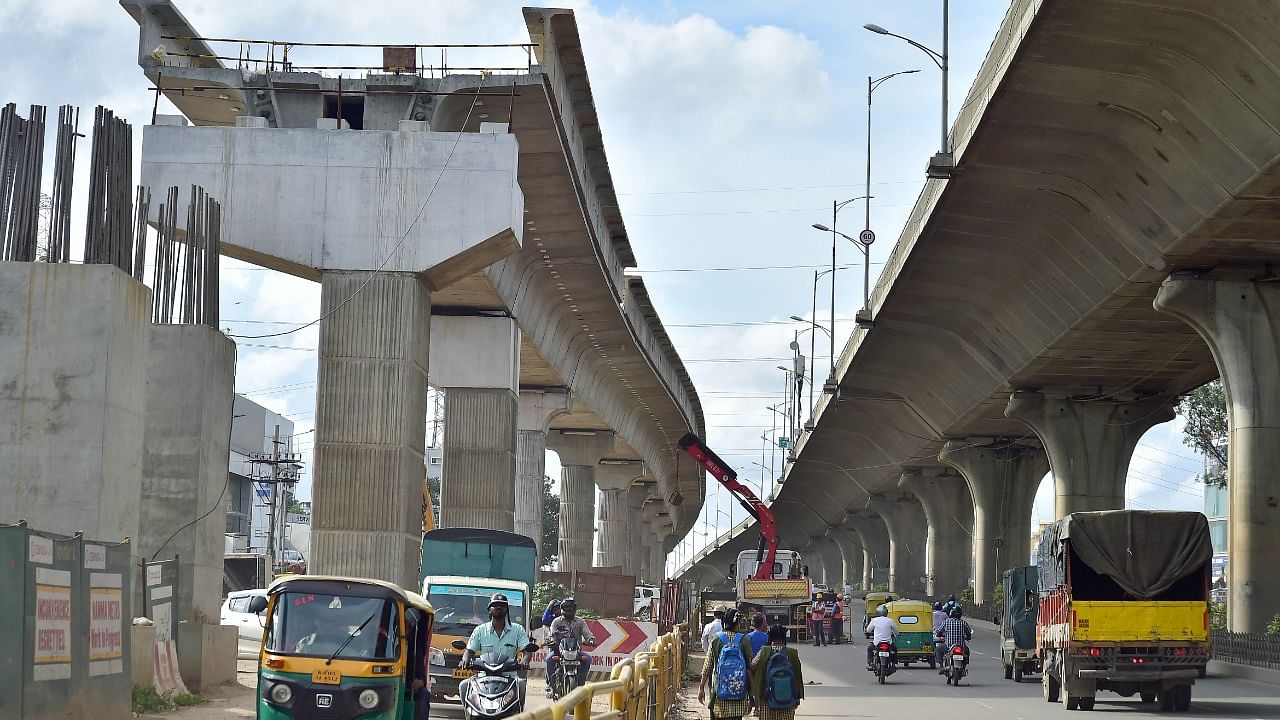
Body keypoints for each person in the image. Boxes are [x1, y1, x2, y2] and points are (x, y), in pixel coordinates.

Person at [699, 609, 754, 720]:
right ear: (738, 623)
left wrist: (701, 688)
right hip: (739, 694)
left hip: (720, 693)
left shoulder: (716, 639)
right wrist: (752, 693)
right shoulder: (744, 640)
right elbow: (749, 668)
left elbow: (707, 666)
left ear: (724, 622)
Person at [462, 593, 531, 679]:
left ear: (507, 609)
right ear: (489, 609)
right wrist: (465, 659)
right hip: (484, 679)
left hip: (509, 679)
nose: (499, 608)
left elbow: (527, 650)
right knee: (463, 685)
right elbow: (470, 651)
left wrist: (525, 661)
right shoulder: (479, 630)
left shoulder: (518, 630)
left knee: (521, 685)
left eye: (502, 606)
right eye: (495, 605)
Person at [750, 625, 803, 720]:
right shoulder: (792, 653)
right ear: (784, 638)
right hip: (788, 697)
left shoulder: (764, 651)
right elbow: (798, 675)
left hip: (767, 696)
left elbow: (752, 666)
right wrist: (798, 697)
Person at [545, 597, 596, 696]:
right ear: (562, 608)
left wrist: (591, 639)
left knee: (588, 658)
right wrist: (550, 640)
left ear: (575, 609)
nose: (568, 610)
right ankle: (551, 686)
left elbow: (587, 633)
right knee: (549, 659)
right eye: (566, 608)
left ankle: (581, 684)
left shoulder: (580, 622)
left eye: (571, 608)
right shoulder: (556, 621)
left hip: (576, 652)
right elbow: (551, 634)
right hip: (559, 651)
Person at [937, 606, 973, 674]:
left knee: (938, 648)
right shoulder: (963, 623)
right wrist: (968, 638)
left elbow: (938, 633)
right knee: (967, 652)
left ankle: (941, 667)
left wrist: (941, 635)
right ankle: (963, 668)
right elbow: (969, 634)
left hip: (948, 647)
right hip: (961, 647)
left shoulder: (946, 622)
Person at [864, 604, 899, 669]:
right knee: (894, 650)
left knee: (870, 649)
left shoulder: (874, 620)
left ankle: (871, 663)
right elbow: (896, 631)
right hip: (888, 642)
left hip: (877, 643)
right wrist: (896, 635)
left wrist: (869, 632)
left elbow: (868, 630)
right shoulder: (890, 620)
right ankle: (894, 664)